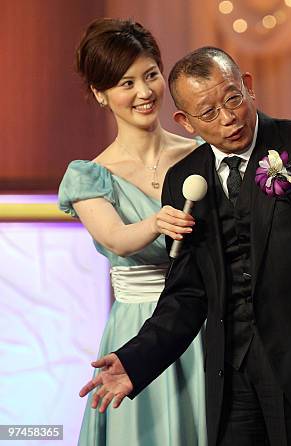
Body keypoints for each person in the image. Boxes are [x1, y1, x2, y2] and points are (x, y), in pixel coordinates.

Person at [77, 46, 291, 446]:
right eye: (208, 113)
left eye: (233, 99)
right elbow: (187, 292)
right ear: (185, 122)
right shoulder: (184, 179)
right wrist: (136, 360)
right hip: (233, 376)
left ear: (248, 87)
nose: (228, 119)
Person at [58, 18, 206, 446]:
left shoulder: (199, 153)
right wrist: (157, 221)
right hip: (138, 329)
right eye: (125, 83)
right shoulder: (89, 176)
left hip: (203, 321)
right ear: (100, 94)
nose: (144, 93)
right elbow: (115, 238)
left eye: (151, 75)